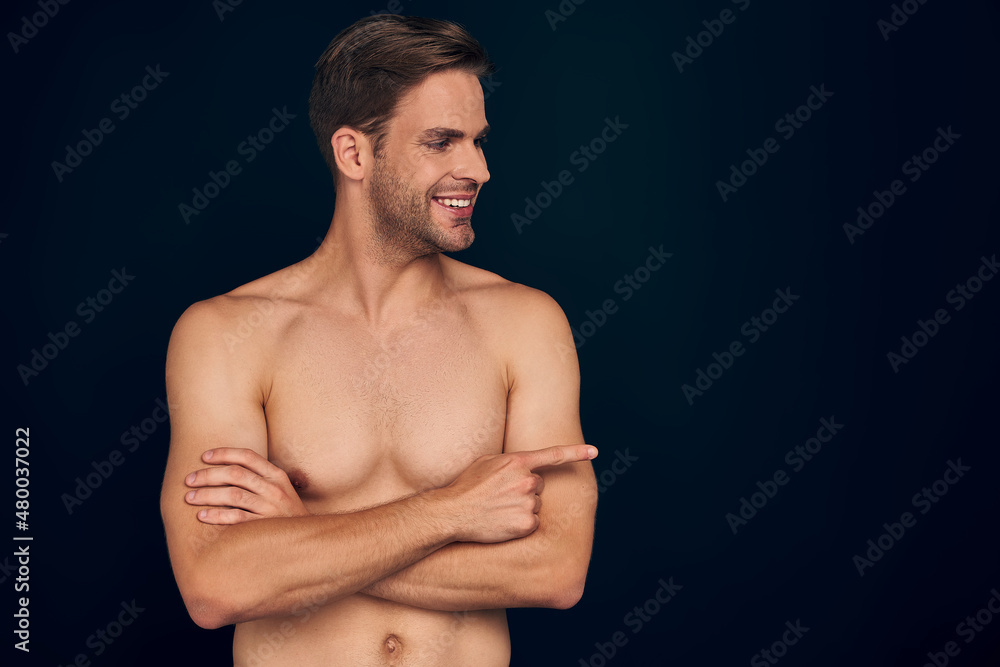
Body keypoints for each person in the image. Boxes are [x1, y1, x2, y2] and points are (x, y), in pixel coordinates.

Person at [159, 14, 598, 666]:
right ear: (354, 153)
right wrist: (451, 511)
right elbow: (215, 586)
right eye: (442, 142)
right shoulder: (226, 333)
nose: (477, 168)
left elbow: (557, 570)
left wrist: (299, 535)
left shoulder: (525, 324)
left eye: (478, 141)